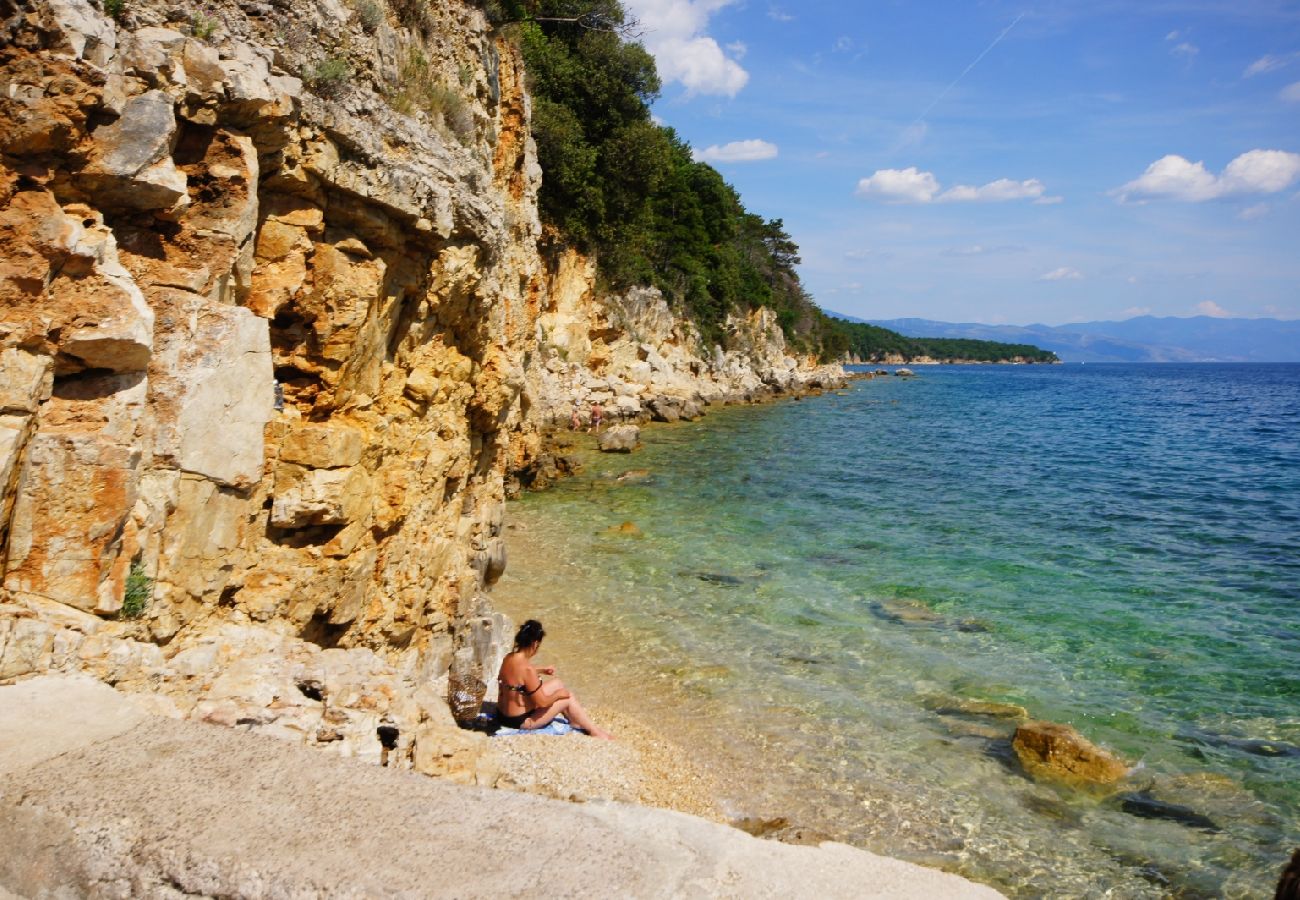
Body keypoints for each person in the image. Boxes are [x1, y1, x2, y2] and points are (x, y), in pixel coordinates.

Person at [496, 619, 612, 739]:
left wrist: (542, 669)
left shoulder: (509, 658)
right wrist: (558, 695)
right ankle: (594, 731)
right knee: (567, 697)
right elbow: (542, 702)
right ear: (535, 644)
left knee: (557, 683)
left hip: (502, 715)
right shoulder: (528, 669)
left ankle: (575, 719)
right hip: (520, 721)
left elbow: (518, 673)